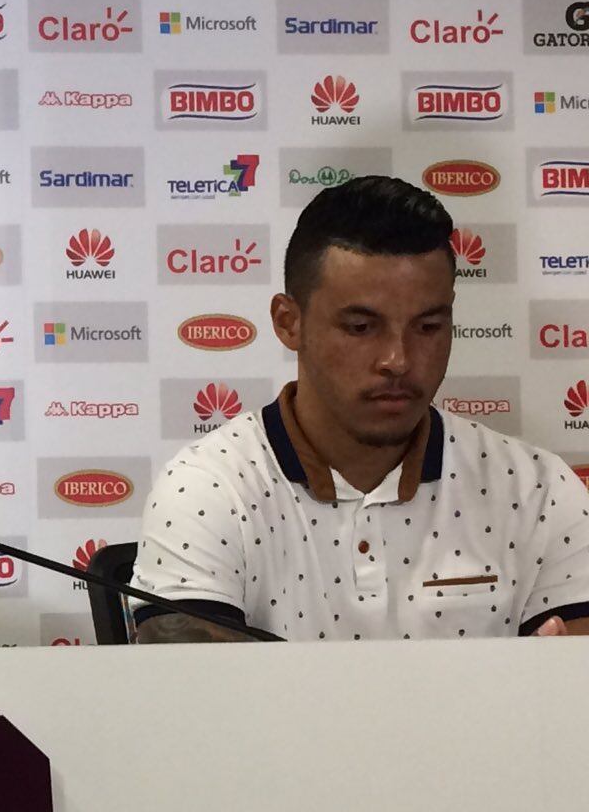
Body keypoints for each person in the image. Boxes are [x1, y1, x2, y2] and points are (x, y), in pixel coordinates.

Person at [133, 174, 589, 642]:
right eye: (360, 327)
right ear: (289, 323)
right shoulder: (207, 488)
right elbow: (187, 686)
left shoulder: (539, 490)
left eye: (428, 327)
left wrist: (560, 678)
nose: (398, 360)